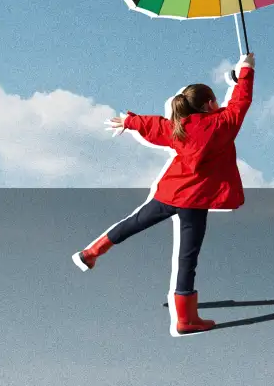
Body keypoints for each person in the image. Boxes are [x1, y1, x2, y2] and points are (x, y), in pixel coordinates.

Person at [72, 52, 255, 334]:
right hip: (195, 202)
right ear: (209, 104)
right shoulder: (223, 126)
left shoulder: (177, 127)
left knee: (132, 224)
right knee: (187, 258)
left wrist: (128, 122)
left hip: (170, 193)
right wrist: (247, 72)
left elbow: (152, 124)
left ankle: (92, 252)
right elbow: (240, 103)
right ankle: (185, 319)